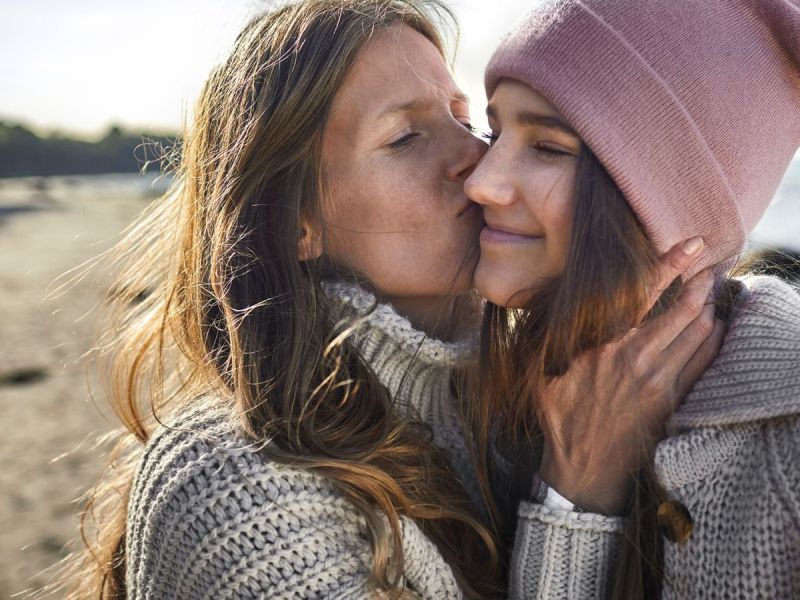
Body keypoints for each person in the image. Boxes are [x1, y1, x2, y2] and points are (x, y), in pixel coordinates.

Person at [62, 1, 719, 598]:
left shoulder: (525, 411)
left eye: (466, 120)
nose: (480, 160)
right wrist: (575, 497)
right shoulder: (228, 485)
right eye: (405, 137)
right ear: (294, 223)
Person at [466, 0, 800, 597]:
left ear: (672, 206)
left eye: (547, 148)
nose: (480, 181)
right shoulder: (496, 404)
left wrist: (573, 496)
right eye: (494, 133)